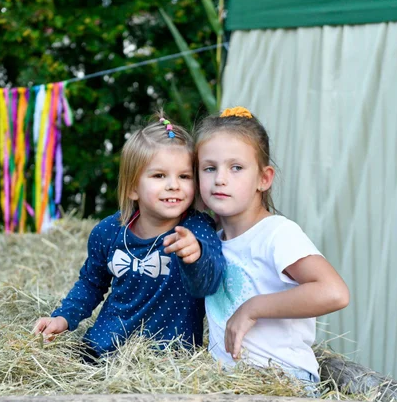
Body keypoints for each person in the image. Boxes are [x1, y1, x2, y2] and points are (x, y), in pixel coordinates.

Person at [33, 114, 225, 361]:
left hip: (169, 357)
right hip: (103, 346)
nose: (173, 185)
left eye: (184, 176)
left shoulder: (196, 228)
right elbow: (91, 283)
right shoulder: (109, 231)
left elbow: (211, 281)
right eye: (159, 176)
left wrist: (197, 254)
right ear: (133, 187)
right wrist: (64, 317)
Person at [194, 106, 350, 385]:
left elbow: (334, 293)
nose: (220, 178)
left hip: (283, 382)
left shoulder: (277, 234)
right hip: (225, 383)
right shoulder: (212, 243)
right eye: (209, 168)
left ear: (263, 179)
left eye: (236, 168)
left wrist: (253, 308)